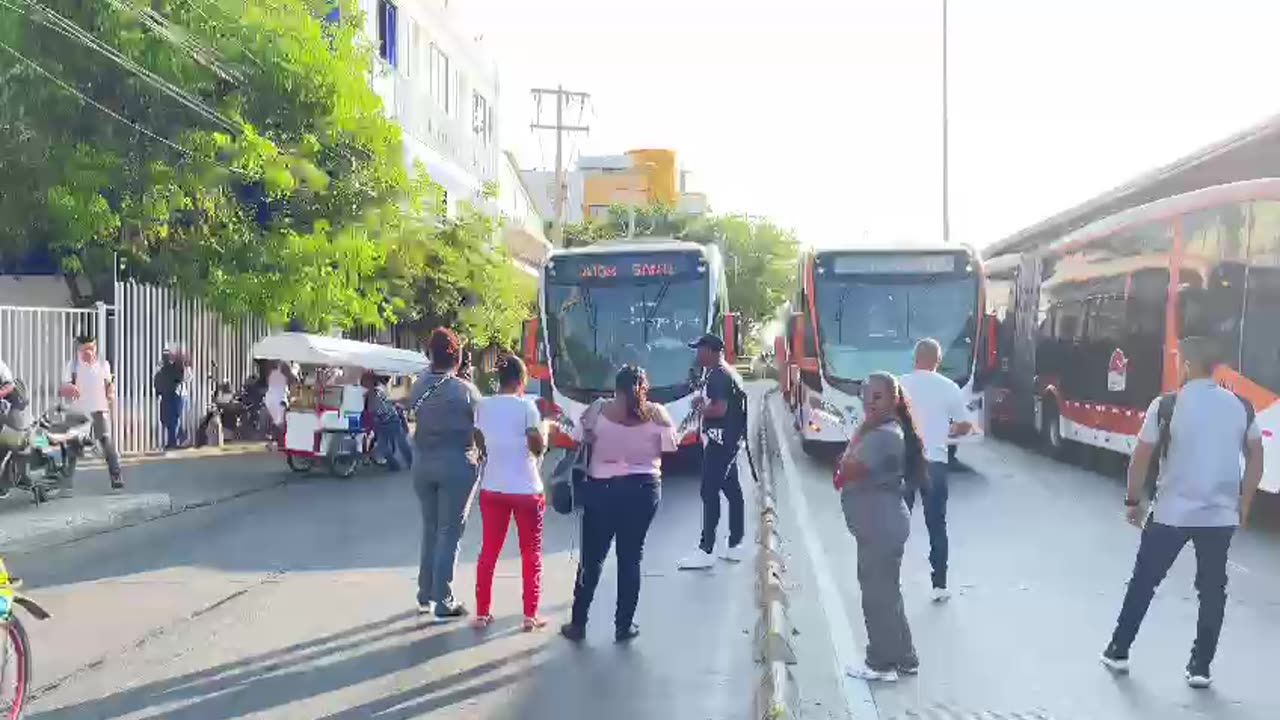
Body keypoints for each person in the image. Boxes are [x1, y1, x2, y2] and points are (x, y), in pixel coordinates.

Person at [1101, 337, 1264, 689]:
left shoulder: (1167, 405)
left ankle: (1119, 650)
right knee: (1212, 590)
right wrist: (1245, 504)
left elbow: (1141, 456)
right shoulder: (1242, 406)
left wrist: (1133, 501)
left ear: (1186, 365)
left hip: (1171, 513)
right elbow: (1256, 455)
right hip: (1220, 517)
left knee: (1144, 581)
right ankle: (1200, 667)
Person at [561, 366, 676, 643]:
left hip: (602, 491)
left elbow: (576, 438)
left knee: (592, 558)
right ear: (644, 388)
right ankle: (623, 626)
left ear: (617, 387)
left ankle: (578, 624)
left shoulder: (598, 410)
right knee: (630, 558)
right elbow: (671, 447)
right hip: (644, 491)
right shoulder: (657, 413)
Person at [834, 371, 924, 682]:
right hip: (882, 523)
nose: (869, 403)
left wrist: (859, 430)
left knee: (876, 597)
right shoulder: (887, 429)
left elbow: (845, 469)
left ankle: (880, 664)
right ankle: (905, 657)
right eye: (866, 395)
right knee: (888, 594)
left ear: (894, 399)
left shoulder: (882, 434)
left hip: (879, 525)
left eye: (878, 397)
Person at [409, 327, 483, 619]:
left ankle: (424, 594)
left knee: (430, 529)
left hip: (422, 464)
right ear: (458, 356)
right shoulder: (465, 391)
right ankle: (444, 598)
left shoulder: (417, 385)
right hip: (457, 465)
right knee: (449, 532)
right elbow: (482, 427)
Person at [472, 356, 549, 631]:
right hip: (526, 490)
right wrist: (544, 434)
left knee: (489, 551)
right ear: (522, 380)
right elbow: (537, 447)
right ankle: (530, 615)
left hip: (492, 488)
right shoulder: (527, 407)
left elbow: (479, 440)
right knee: (531, 553)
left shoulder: (483, 406)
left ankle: (482, 612)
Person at [898, 338, 972, 602]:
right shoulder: (949, 387)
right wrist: (947, 430)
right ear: (938, 361)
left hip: (906, 463)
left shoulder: (900, 385)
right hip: (935, 464)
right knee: (936, 525)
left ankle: (892, 580)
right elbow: (964, 425)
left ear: (915, 358)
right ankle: (939, 585)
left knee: (896, 523)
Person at [678, 334, 749, 570]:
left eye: (699, 349)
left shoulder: (718, 376)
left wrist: (701, 407)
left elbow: (719, 409)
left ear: (711, 351)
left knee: (709, 492)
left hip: (720, 444)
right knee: (732, 492)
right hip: (730, 442)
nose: (697, 354)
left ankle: (706, 550)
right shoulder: (727, 372)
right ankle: (735, 544)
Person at [59, 334, 124, 491]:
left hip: (99, 409)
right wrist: (69, 390)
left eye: (92, 347)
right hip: (78, 411)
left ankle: (116, 476)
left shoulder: (103, 364)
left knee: (107, 442)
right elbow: (64, 388)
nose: (89, 351)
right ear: (79, 349)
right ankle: (66, 481)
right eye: (85, 348)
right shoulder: (72, 366)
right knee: (73, 445)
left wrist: (110, 396)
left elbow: (109, 384)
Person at [363, 372, 412, 472]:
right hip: (388, 419)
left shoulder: (375, 392)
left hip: (387, 419)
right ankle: (399, 464)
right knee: (391, 443)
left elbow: (376, 409)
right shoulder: (378, 390)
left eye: (365, 381)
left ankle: (402, 463)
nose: (363, 383)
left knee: (395, 442)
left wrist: (374, 418)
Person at [154, 347, 188, 450]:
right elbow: (158, 384)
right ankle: (176, 439)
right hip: (168, 396)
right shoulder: (163, 371)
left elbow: (181, 378)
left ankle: (174, 441)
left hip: (174, 396)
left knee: (172, 420)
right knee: (168, 420)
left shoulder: (174, 368)